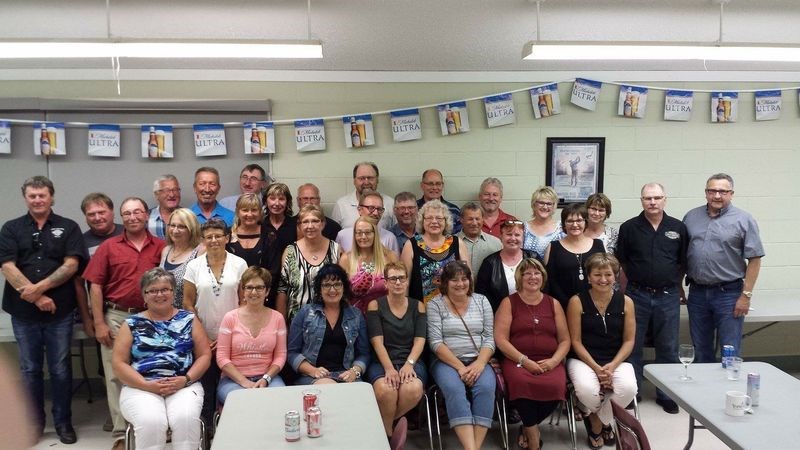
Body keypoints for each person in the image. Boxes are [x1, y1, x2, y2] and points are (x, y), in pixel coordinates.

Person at [0, 175, 87, 445]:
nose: (37, 200)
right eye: (32, 196)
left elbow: (72, 264)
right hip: (23, 312)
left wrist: (41, 289)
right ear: (25, 198)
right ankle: (34, 424)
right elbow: (7, 266)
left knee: (61, 368)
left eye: (42, 195)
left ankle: (63, 422)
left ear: (52, 197)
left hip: (59, 312)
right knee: (29, 369)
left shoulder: (68, 227)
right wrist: (37, 297)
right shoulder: (11, 228)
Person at [83, 196, 165, 449]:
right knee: (115, 374)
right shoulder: (109, 246)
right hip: (117, 316)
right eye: (127, 213)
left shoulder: (161, 247)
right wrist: (99, 322)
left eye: (137, 212)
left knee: (153, 370)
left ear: (146, 215)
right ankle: (121, 433)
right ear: (122, 217)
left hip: (151, 318)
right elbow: (95, 286)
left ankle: (153, 427)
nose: (132, 217)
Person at [112, 267, 211, 450]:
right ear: (144, 296)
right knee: (152, 421)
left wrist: (186, 379)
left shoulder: (189, 319)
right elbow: (118, 364)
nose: (160, 294)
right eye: (153, 290)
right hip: (140, 386)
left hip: (183, 384)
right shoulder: (131, 323)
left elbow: (205, 355)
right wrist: (146, 385)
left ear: (173, 293)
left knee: (185, 418)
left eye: (165, 289)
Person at [616, 182, 688, 415]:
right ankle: (633, 391)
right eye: (648, 198)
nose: (653, 202)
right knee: (633, 345)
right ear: (642, 201)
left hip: (667, 295)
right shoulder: (629, 228)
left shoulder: (678, 227)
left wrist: (675, 284)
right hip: (637, 294)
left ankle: (666, 394)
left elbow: (683, 261)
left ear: (665, 199)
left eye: (657, 198)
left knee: (668, 346)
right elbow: (622, 261)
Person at [683, 173, 764, 363]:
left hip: (728, 294)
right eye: (712, 191)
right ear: (706, 193)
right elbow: (683, 255)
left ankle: (728, 390)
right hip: (697, 293)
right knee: (701, 348)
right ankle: (704, 392)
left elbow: (755, 259)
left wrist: (746, 296)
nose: (717, 196)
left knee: (730, 349)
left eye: (722, 191)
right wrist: (679, 284)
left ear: (731, 194)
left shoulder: (744, 220)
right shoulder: (691, 217)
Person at [494, 258, 569, 450]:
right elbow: (501, 339)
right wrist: (524, 360)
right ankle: (534, 439)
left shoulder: (554, 304)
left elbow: (565, 340)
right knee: (520, 383)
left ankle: (527, 426)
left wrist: (554, 361)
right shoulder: (508, 302)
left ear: (542, 277)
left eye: (536, 273)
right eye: (527, 273)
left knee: (557, 386)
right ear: (520, 277)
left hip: (549, 360)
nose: (532, 277)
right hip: (517, 360)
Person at [566, 253, 636, 450]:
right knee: (587, 390)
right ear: (588, 277)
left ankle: (597, 421)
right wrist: (597, 369)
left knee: (629, 389)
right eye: (597, 274)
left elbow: (629, 340)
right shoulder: (576, 301)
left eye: (608, 274)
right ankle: (605, 423)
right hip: (583, 359)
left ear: (616, 277)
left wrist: (612, 366)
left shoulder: (627, 302)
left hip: (617, 359)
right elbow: (576, 342)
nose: (603, 280)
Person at [182, 218, 248, 428]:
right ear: (202, 239)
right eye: (209, 236)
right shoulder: (193, 266)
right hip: (203, 336)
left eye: (218, 235)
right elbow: (187, 303)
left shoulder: (240, 264)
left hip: (234, 333)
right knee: (207, 383)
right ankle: (208, 427)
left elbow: (244, 301)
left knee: (232, 381)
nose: (214, 240)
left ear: (227, 238)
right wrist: (203, 334)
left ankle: (234, 426)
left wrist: (224, 336)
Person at [427, 260, 495, 450]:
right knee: (454, 389)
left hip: (478, 360)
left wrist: (480, 364)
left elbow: (489, 338)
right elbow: (436, 342)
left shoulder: (482, 301)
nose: (460, 284)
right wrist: (460, 367)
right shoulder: (435, 305)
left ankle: (473, 447)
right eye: (454, 280)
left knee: (487, 388)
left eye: (464, 279)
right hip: (446, 362)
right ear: (445, 283)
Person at [366, 261, 427, 438]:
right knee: (386, 390)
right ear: (385, 283)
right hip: (382, 360)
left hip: (411, 360)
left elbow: (420, 340)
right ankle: (390, 435)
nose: (398, 282)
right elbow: (377, 342)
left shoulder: (418, 306)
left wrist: (409, 364)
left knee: (412, 389)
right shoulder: (375, 305)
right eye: (393, 278)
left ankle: (384, 428)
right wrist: (389, 368)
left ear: (407, 281)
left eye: (401, 278)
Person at [287, 264, 370, 385]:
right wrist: (312, 370)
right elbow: (292, 353)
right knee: (329, 386)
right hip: (312, 377)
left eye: (337, 284)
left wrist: (354, 371)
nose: (332, 290)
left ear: (344, 287)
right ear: (319, 289)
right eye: (326, 285)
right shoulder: (305, 313)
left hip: (347, 375)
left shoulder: (356, 315)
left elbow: (364, 354)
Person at [216, 266, 287, 404]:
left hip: (268, 378)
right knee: (245, 402)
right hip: (233, 379)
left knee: (279, 401)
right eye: (249, 287)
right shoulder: (230, 318)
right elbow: (221, 358)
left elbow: (280, 356)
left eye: (259, 287)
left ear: (267, 291)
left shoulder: (278, 318)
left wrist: (266, 379)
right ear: (243, 291)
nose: (253, 292)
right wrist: (244, 382)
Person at [277, 205, 342, 321]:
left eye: (315, 221)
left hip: (329, 321)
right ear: (299, 226)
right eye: (305, 222)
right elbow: (282, 290)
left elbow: (343, 287)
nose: (310, 226)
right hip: (297, 321)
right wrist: (282, 324)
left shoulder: (336, 250)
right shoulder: (290, 252)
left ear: (323, 223)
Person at [402, 200, 470, 304]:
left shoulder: (457, 243)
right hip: (420, 311)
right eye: (429, 218)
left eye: (439, 218)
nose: (434, 221)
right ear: (422, 221)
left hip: (453, 309)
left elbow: (468, 278)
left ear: (446, 221)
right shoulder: (411, 245)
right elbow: (404, 282)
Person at [544, 203, 605, 311]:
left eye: (579, 220)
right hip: (562, 307)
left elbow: (603, 275)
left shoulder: (598, 245)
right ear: (564, 224)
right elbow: (550, 280)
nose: (575, 225)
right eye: (570, 221)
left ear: (586, 222)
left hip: (594, 306)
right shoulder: (553, 247)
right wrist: (569, 304)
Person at [339, 217, 397, 314]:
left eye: (368, 232)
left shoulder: (390, 257)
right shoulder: (346, 259)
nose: (363, 237)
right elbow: (341, 294)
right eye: (359, 232)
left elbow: (398, 289)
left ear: (375, 234)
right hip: (356, 318)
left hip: (384, 316)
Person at [475, 219, 535, 312]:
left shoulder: (533, 258)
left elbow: (544, 288)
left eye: (517, 235)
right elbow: (481, 296)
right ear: (501, 237)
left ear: (523, 238)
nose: (513, 238)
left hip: (531, 312)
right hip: (499, 314)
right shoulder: (489, 263)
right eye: (509, 234)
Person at [159, 208, 203, 308]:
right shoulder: (166, 250)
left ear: (192, 228)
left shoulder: (200, 252)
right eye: (172, 225)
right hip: (163, 314)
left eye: (181, 227)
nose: (175, 230)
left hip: (187, 316)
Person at [332, 161, 396, 229]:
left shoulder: (390, 203)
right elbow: (334, 234)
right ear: (354, 181)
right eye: (361, 178)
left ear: (377, 180)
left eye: (370, 178)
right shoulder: (341, 204)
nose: (366, 182)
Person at [226, 193, 273, 268]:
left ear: (260, 212)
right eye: (245, 210)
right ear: (238, 212)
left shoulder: (270, 235)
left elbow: (273, 268)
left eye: (254, 210)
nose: (250, 214)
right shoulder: (227, 234)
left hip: (263, 279)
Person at [457, 201, 501, 281]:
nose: (474, 223)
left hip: (487, 292)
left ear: (483, 219)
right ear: (461, 220)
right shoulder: (451, 243)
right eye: (470, 219)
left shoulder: (496, 244)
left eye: (477, 219)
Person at [523, 186, 564, 261]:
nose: (545, 207)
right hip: (529, 271)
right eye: (541, 203)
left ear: (554, 206)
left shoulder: (562, 228)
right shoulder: (524, 228)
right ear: (534, 204)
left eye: (549, 204)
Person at [418, 169, 462, 234]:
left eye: (438, 184)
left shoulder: (454, 210)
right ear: (422, 185)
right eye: (430, 184)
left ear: (442, 185)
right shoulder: (414, 209)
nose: (434, 187)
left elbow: (458, 236)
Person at [80, 192, 124, 256]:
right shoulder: (81, 242)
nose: (97, 218)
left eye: (101, 212)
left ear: (112, 213)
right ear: (85, 217)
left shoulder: (129, 233)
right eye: (91, 214)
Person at [262, 182, 297, 256]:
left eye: (281, 199)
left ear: (287, 202)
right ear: (265, 202)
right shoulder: (260, 225)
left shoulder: (295, 225)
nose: (277, 203)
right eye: (272, 198)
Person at [148, 174, 181, 239]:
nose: (172, 195)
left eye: (175, 189)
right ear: (156, 194)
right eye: (166, 190)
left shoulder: (189, 216)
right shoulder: (146, 217)